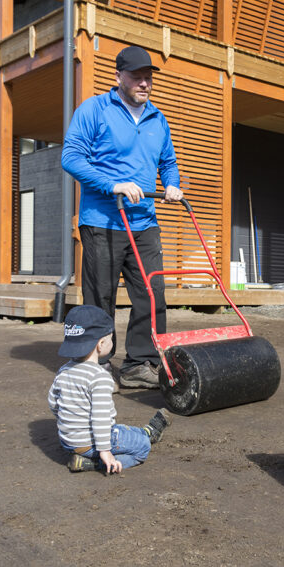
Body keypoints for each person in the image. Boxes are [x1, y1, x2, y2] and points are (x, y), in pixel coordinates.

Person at [61, 46, 183, 389]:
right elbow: (71, 157)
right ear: (118, 77)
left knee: (152, 293)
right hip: (102, 220)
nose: (144, 84)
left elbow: (168, 162)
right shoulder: (95, 110)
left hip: (144, 221)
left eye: (148, 78)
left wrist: (172, 185)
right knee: (100, 296)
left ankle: (138, 365)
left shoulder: (158, 119)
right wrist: (112, 184)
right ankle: (95, 367)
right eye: (137, 77)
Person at [48, 304, 173, 474]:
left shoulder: (64, 371)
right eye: (111, 338)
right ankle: (96, 463)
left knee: (122, 430)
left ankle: (144, 432)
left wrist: (69, 425)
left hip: (69, 442)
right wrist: (105, 451)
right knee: (142, 448)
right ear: (101, 344)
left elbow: (54, 404)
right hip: (94, 443)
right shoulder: (99, 377)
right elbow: (99, 418)